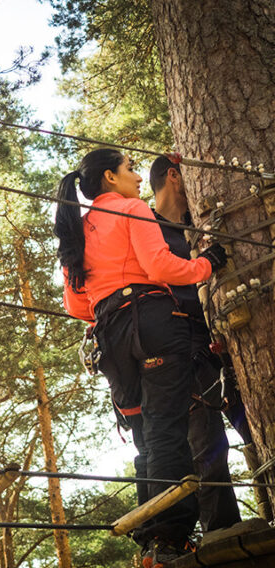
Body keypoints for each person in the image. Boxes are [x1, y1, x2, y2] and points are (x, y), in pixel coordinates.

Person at [54, 148, 228, 568]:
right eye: (130, 168)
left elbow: (76, 305)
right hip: (153, 325)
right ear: (110, 178)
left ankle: (154, 538)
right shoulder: (131, 209)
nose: (135, 177)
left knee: (145, 437)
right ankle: (172, 538)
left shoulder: (78, 229)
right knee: (167, 428)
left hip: (109, 339)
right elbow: (161, 265)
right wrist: (206, 264)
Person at [150, 155, 253, 532]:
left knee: (255, 424)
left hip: (229, 340)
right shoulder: (148, 230)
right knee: (208, 448)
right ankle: (223, 537)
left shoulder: (201, 224)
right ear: (174, 176)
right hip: (186, 349)